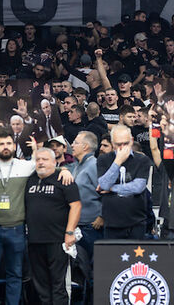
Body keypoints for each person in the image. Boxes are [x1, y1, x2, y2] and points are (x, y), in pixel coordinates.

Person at [0, 130, 36, 305]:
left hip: (16, 228)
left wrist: (64, 170)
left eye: (9, 143)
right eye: (1, 144)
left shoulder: (26, 166)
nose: (5, 147)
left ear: (15, 146)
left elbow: (47, 166)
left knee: (15, 275)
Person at [25, 147, 81, 305]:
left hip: (58, 241)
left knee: (59, 285)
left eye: (45, 159)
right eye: (38, 160)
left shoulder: (64, 179)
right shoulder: (30, 179)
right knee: (41, 286)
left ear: (55, 161)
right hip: (35, 241)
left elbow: (76, 206)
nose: (40, 162)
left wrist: (70, 232)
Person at [96, 124, 152, 239]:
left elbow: (138, 187)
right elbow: (104, 184)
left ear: (132, 140)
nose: (122, 147)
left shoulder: (142, 160)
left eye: (126, 143)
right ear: (112, 143)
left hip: (137, 222)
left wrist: (112, 188)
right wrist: (118, 161)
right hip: (112, 222)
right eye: (118, 144)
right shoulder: (103, 159)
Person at [69, 130, 102, 303]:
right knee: (80, 273)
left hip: (92, 227)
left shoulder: (94, 165)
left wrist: (102, 216)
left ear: (86, 146)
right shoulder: (77, 165)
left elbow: (107, 191)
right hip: (79, 226)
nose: (72, 145)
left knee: (92, 273)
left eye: (75, 142)